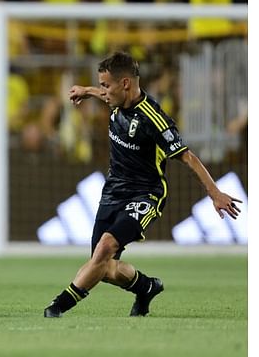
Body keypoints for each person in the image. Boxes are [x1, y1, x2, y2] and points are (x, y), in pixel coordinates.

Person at [43, 51, 242, 318]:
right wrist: (87, 90)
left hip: (145, 194)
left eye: (106, 85)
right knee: (103, 267)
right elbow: (103, 95)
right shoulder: (116, 99)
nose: (104, 92)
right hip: (112, 192)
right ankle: (147, 287)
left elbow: (189, 158)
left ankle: (57, 307)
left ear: (125, 83)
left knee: (103, 250)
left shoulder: (153, 118)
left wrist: (215, 193)